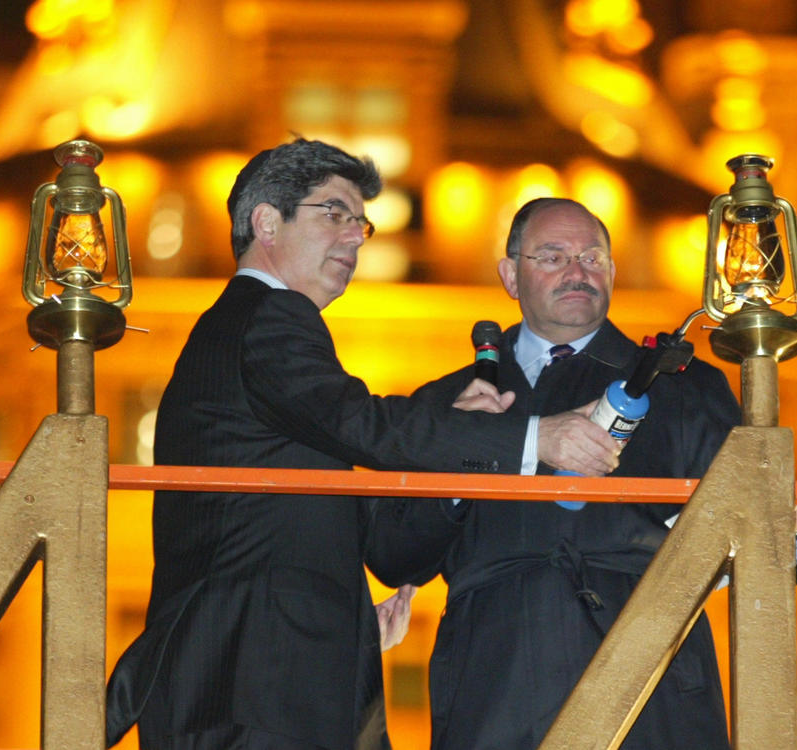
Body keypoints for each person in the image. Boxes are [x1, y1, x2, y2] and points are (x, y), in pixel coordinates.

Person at [104, 143, 621, 750]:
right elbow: (359, 422)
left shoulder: (246, 322)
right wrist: (539, 436)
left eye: (361, 221)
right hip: (251, 675)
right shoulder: (267, 316)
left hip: (270, 662)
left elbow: (279, 498)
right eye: (334, 213)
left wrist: (341, 618)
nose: (355, 238)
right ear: (267, 221)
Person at [394, 197, 797, 750]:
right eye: (552, 257)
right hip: (495, 680)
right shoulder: (446, 400)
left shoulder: (685, 388)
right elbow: (392, 550)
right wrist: (462, 450)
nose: (577, 272)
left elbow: (780, 543)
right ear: (509, 275)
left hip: (652, 681)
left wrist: (792, 527)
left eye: (593, 258)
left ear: (614, 273)